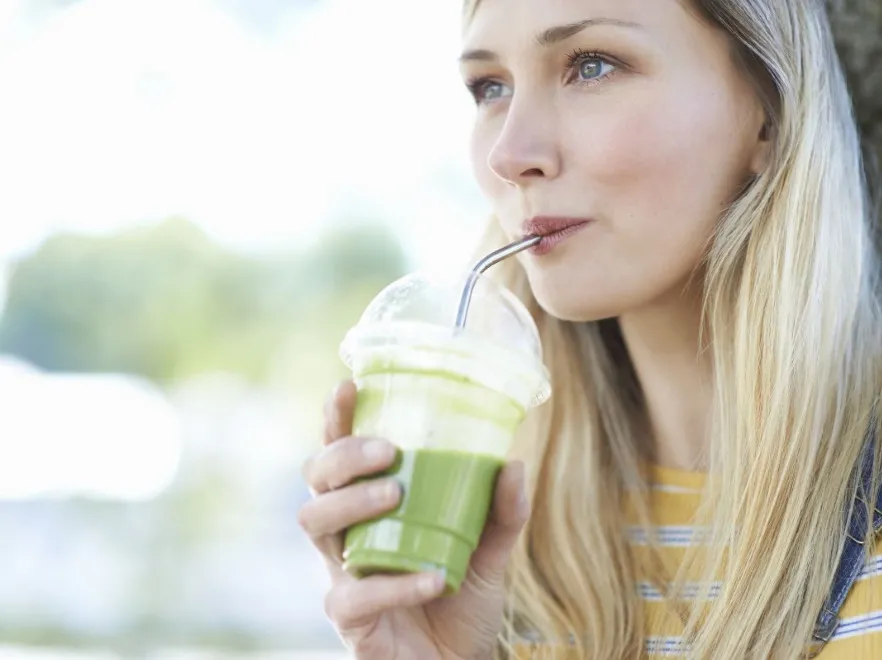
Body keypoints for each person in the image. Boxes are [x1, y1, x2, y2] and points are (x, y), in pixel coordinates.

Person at [297, 0, 882, 657]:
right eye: (491, 87)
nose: (511, 154)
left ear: (769, 117)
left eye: (592, 66)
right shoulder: (488, 549)